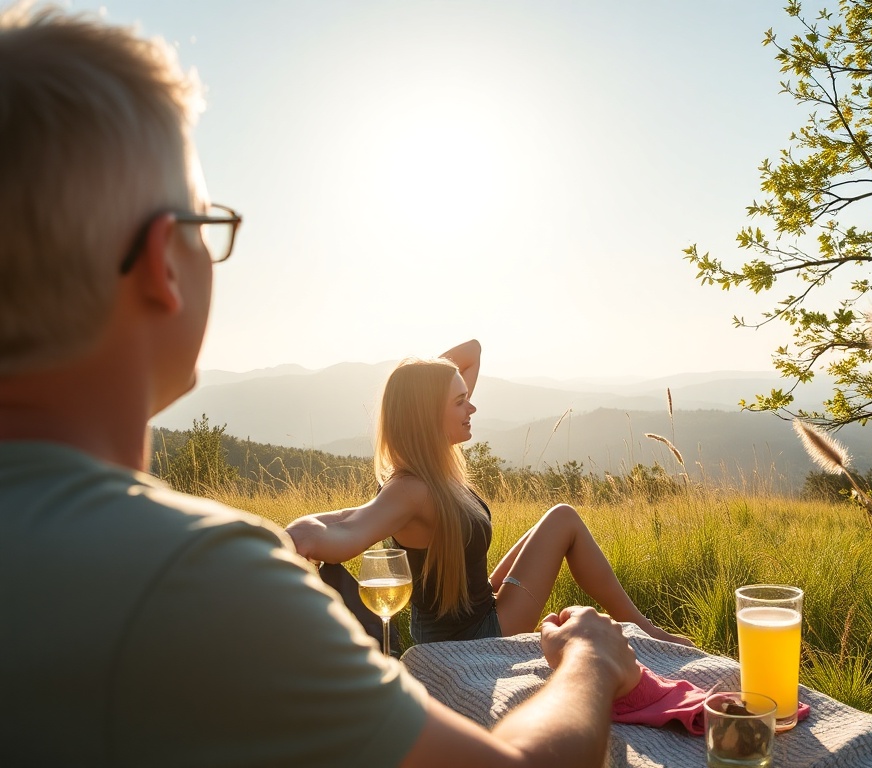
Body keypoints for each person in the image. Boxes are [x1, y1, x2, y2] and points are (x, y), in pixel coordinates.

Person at [0, 5, 642, 767]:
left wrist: (422, 389)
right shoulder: (203, 584)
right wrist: (592, 666)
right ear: (159, 263)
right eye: (205, 224)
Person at [286, 340, 695, 646]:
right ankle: (645, 630)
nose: (473, 408)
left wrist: (426, 380)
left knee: (553, 520)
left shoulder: (429, 470)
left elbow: (472, 351)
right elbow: (347, 537)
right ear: (428, 416)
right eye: (461, 401)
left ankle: (642, 627)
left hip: (478, 606)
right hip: (471, 635)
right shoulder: (412, 489)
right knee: (563, 518)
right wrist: (289, 539)